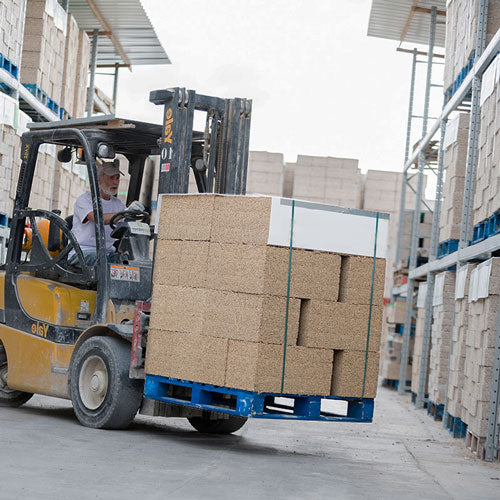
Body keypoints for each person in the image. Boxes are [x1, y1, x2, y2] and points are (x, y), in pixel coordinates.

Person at [68, 161, 142, 267]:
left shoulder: (118, 204)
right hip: (82, 252)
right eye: (112, 178)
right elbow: (97, 218)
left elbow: (127, 224)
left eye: (117, 178)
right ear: (99, 179)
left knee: (128, 262)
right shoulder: (85, 200)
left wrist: (134, 214)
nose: (116, 182)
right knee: (101, 260)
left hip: (107, 253)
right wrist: (123, 213)